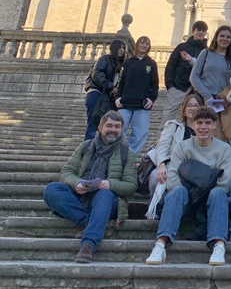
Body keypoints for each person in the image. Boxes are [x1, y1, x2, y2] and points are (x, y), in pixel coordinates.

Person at [43, 110, 137, 263]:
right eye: (109, 126)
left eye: (117, 126)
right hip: (81, 196)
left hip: (108, 202)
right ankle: (88, 222)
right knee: (52, 189)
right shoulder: (85, 147)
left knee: (104, 194)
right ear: (100, 127)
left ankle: (88, 245)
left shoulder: (127, 153)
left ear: (122, 129)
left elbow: (131, 185)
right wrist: (77, 183)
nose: (113, 130)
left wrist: (110, 184)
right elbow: (66, 172)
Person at [145, 106, 231, 266]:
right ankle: (160, 244)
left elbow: (225, 183)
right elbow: (172, 180)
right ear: (193, 125)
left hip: (210, 201)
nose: (203, 127)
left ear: (214, 125)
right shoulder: (182, 147)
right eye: (199, 123)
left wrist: (200, 189)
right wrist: (198, 189)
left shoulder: (224, 149)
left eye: (208, 123)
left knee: (219, 193)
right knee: (177, 191)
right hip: (186, 199)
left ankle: (219, 245)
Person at [190, 25, 231, 146]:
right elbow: (194, 76)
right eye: (222, 36)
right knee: (203, 131)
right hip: (204, 99)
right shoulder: (205, 53)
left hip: (223, 102)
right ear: (216, 37)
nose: (225, 39)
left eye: (228, 37)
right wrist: (207, 95)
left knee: (220, 135)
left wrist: (229, 98)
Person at [149, 93, 201, 195]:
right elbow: (162, 147)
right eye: (189, 105)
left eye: (196, 106)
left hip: (194, 171)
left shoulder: (205, 131)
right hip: (172, 166)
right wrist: (161, 165)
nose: (192, 108)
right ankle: (157, 204)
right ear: (184, 110)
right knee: (156, 176)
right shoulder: (173, 126)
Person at [114, 36, 159, 154]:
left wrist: (151, 99)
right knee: (119, 130)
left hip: (142, 104)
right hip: (125, 102)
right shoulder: (128, 62)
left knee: (140, 133)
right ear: (137, 44)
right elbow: (120, 81)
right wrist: (117, 97)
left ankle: (130, 156)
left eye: (147, 44)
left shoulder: (151, 63)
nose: (144, 46)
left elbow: (155, 84)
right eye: (142, 43)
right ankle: (116, 154)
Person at [162, 21, 208, 123]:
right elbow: (171, 66)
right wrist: (170, 85)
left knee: (194, 119)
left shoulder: (207, 51)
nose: (200, 32)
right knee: (168, 119)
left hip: (196, 90)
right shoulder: (182, 47)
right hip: (178, 87)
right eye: (198, 30)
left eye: (203, 30)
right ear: (193, 31)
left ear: (206, 33)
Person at [84, 40, 126, 140]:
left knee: (104, 125)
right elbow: (97, 74)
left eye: (123, 48)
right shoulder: (104, 59)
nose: (122, 50)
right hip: (96, 92)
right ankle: (88, 147)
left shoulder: (121, 65)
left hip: (107, 96)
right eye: (120, 48)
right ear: (114, 48)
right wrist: (110, 87)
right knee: (93, 123)